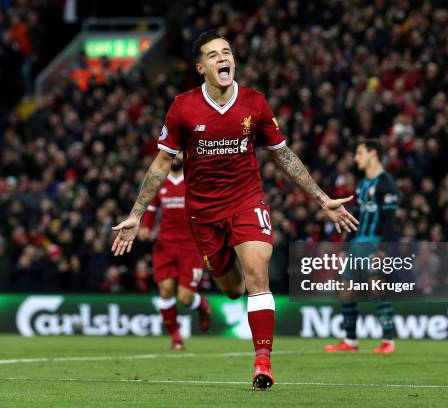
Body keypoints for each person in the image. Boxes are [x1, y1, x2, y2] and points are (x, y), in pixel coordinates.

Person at [112, 30, 358, 390]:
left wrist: (321, 198)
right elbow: (163, 162)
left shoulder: (255, 103)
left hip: (247, 201)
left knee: (258, 274)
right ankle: (229, 294)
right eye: (213, 55)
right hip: (204, 213)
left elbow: (283, 155)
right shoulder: (183, 107)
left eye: (226, 52)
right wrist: (136, 213)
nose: (222, 58)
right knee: (231, 288)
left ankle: (263, 362)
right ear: (201, 68)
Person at [324, 139, 399, 354]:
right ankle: (350, 341)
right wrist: (346, 248)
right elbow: (355, 218)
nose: (356, 158)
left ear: (373, 153)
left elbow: (390, 221)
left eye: (359, 153)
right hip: (357, 243)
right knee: (345, 291)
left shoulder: (385, 183)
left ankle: (388, 341)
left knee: (376, 289)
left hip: (374, 243)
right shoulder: (362, 184)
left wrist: (382, 250)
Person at [138, 152, 212, 350]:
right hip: (165, 246)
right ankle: (176, 338)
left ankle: (203, 305)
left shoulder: (194, 179)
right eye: (175, 153)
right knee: (165, 291)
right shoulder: (160, 181)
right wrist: (145, 227)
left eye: (181, 152)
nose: (177, 156)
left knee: (185, 298)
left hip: (191, 247)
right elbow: (151, 209)